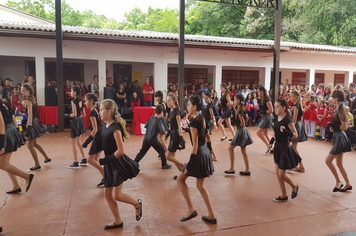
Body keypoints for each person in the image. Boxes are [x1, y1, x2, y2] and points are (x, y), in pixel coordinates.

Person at [98, 99, 141, 229]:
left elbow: (121, 150)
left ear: (108, 112)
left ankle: (137, 204)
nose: (99, 113)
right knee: (107, 194)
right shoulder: (105, 126)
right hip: (109, 163)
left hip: (117, 163)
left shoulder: (115, 128)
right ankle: (118, 221)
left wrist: (107, 159)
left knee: (117, 195)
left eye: (101, 110)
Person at [177, 95, 216, 224]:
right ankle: (211, 215)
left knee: (180, 179)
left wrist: (190, 164)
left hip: (198, 154)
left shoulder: (194, 122)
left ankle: (191, 209)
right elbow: (208, 139)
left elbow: (194, 146)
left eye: (188, 105)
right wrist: (210, 153)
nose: (187, 107)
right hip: (205, 152)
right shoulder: (201, 118)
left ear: (194, 107)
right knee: (200, 185)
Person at [0, 99, 34, 194]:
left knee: (3, 164)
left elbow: (1, 124)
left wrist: (1, 144)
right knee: (5, 163)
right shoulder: (3, 102)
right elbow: (13, 117)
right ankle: (15, 186)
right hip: (11, 131)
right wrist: (17, 131)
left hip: (5, 133)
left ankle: (27, 177)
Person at [270, 99, 300, 202]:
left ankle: (294, 186)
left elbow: (296, 134)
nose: (275, 109)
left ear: (283, 108)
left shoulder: (287, 120)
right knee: (277, 173)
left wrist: (287, 132)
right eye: (275, 107)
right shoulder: (274, 119)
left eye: (277, 107)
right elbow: (275, 132)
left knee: (282, 173)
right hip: (277, 147)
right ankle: (283, 194)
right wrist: (271, 141)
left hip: (285, 148)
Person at [325, 90, 352, 192]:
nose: (331, 99)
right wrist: (334, 127)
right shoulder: (339, 109)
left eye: (332, 97)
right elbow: (340, 125)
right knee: (339, 164)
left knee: (328, 161)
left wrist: (333, 125)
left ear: (336, 99)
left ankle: (338, 181)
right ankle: (348, 184)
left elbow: (344, 127)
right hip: (339, 136)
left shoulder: (340, 110)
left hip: (340, 137)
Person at [21, 83, 51, 171]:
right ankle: (46, 158)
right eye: (21, 91)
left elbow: (30, 116)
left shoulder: (28, 101)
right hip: (34, 121)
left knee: (30, 146)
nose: (21, 92)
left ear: (28, 91)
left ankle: (37, 164)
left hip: (32, 123)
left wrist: (28, 130)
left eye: (23, 91)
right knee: (34, 144)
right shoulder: (30, 99)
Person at [134, 104, 171, 169]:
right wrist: (168, 131)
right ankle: (164, 165)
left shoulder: (151, 118)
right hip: (153, 139)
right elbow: (163, 132)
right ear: (161, 112)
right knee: (162, 150)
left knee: (142, 152)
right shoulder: (158, 121)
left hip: (146, 138)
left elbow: (146, 126)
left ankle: (134, 162)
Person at [225, 94, 253, 175]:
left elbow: (243, 124)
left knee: (230, 148)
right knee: (243, 151)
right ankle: (247, 169)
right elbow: (247, 119)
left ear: (239, 101)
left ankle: (232, 168)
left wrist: (234, 119)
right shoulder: (242, 109)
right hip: (243, 131)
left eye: (235, 99)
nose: (234, 100)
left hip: (241, 131)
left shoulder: (240, 112)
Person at [82, 93, 104, 187]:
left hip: (98, 137)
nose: (85, 103)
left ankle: (107, 175)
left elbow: (95, 129)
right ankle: (105, 178)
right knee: (95, 159)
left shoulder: (92, 113)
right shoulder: (96, 109)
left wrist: (87, 142)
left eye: (86, 101)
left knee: (90, 160)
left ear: (91, 101)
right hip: (101, 136)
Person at [65, 87, 86, 169]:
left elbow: (74, 114)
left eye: (71, 91)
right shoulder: (81, 101)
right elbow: (84, 115)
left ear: (75, 92)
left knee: (74, 143)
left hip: (75, 122)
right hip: (80, 122)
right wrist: (78, 119)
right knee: (78, 142)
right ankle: (84, 159)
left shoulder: (73, 101)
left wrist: (66, 115)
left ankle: (76, 162)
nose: (70, 92)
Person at [166, 94, 185, 178]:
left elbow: (180, 126)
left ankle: (184, 165)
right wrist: (167, 135)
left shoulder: (176, 112)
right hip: (172, 135)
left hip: (176, 136)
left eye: (169, 100)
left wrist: (181, 138)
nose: (168, 102)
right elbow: (171, 126)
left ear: (173, 101)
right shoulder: (171, 111)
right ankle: (182, 174)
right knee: (173, 157)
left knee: (169, 156)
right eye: (167, 101)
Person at [289, 90, 307, 172]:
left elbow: (294, 119)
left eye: (291, 96)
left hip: (296, 126)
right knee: (293, 147)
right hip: (299, 125)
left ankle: (301, 165)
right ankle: (296, 164)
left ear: (296, 97)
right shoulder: (298, 105)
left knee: (294, 148)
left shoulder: (296, 106)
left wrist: (291, 128)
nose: (290, 98)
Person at [256, 86, 274, 154]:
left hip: (267, 117)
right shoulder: (263, 98)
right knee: (265, 133)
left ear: (262, 91)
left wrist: (264, 112)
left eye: (258, 91)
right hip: (265, 117)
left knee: (259, 133)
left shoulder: (267, 99)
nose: (258, 93)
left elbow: (271, 110)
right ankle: (271, 147)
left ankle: (268, 146)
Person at [204, 92, 217, 161]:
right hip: (206, 123)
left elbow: (212, 115)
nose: (205, 99)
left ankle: (213, 155)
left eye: (206, 98)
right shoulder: (207, 105)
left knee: (207, 139)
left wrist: (209, 122)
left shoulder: (209, 106)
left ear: (209, 98)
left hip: (208, 123)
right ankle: (211, 154)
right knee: (206, 140)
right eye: (204, 98)